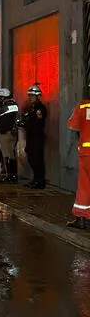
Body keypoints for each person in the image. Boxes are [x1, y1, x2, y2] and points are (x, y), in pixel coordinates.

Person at [66, 95, 90, 229]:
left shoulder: (83, 105)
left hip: (86, 152)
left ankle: (82, 218)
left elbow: (72, 125)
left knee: (84, 184)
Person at [20, 84, 48, 189]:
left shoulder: (40, 108)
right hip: (31, 136)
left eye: (32, 96)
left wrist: (29, 121)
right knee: (31, 158)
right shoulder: (31, 109)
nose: (30, 98)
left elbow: (39, 122)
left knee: (37, 159)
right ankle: (35, 179)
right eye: (29, 96)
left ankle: (40, 181)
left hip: (37, 136)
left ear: (37, 96)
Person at [0, 88, 19, 184]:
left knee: (6, 155)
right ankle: (13, 175)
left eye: (0, 97)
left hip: (5, 133)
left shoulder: (5, 107)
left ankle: (9, 176)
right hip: (13, 133)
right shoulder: (15, 105)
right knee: (12, 154)